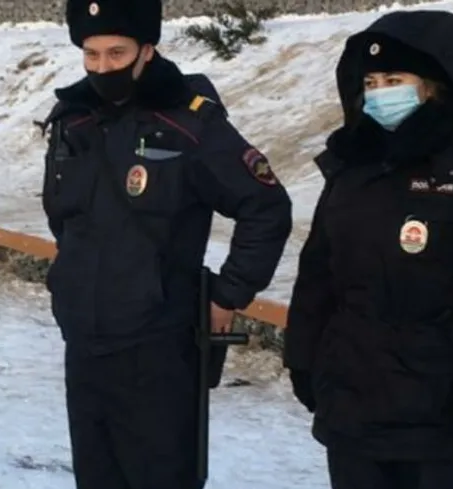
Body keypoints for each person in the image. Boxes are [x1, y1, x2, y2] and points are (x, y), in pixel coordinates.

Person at [39, 1, 293, 488]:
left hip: (158, 348)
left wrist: (229, 293)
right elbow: (64, 218)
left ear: (147, 50)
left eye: (117, 53)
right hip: (85, 344)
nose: (102, 68)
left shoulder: (188, 123)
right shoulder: (74, 120)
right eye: (91, 54)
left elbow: (266, 207)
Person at [282, 9, 453, 489]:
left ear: (434, 88)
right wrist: (303, 359)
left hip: (434, 412)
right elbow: (317, 277)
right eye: (371, 82)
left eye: (394, 80)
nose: (379, 93)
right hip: (349, 403)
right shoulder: (350, 167)